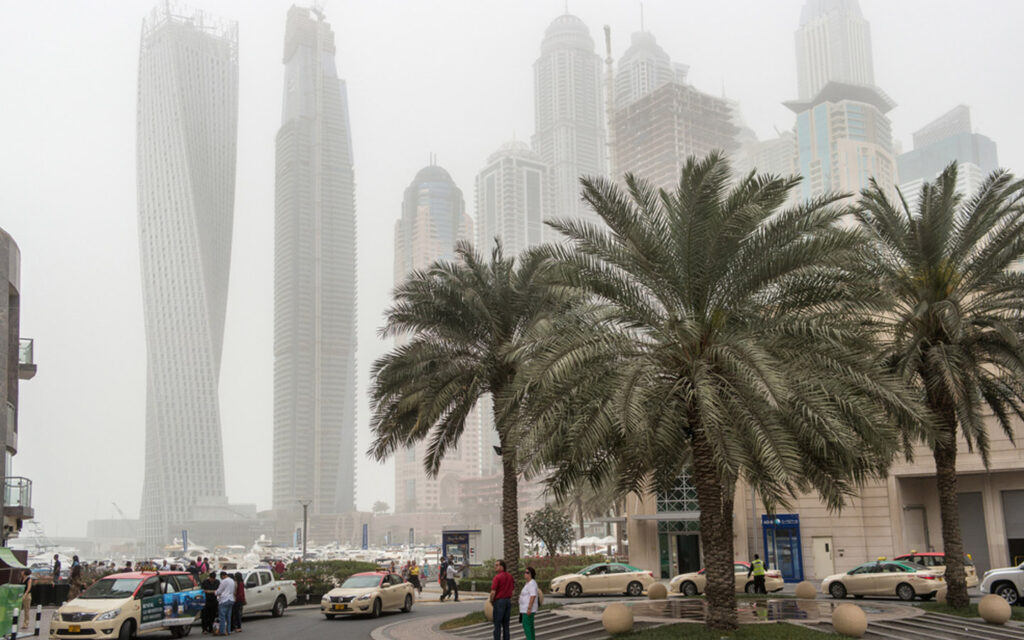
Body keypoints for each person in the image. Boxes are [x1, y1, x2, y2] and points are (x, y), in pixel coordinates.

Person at [489, 559, 514, 640]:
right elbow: (513, 590)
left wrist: (491, 600)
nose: (495, 567)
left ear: (502, 567)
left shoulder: (497, 577)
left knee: (497, 624)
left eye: (497, 565)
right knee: (506, 625)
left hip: (499, 602)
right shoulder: (510, 576)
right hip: (508, 601)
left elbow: (493, 592)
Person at [519, 567, 540, 640]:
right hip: (525, 609)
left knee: (527, 626)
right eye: (525, 572)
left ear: (531, 574)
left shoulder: (531, 583)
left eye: (527, 572)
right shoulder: (528, 583)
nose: (525, 574)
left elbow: (533, 595)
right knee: (529, 626)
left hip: (527, 609)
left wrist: (529, 608)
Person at [215, 571, 235, 636]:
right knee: (228, 616)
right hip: (231, 599)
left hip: (224, 600)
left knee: (222, 616)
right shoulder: (232, 581)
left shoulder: (224, 581)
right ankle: (228, 630)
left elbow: (219, 591)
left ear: (222, 576)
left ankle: (222, 631)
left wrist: (215, 593)